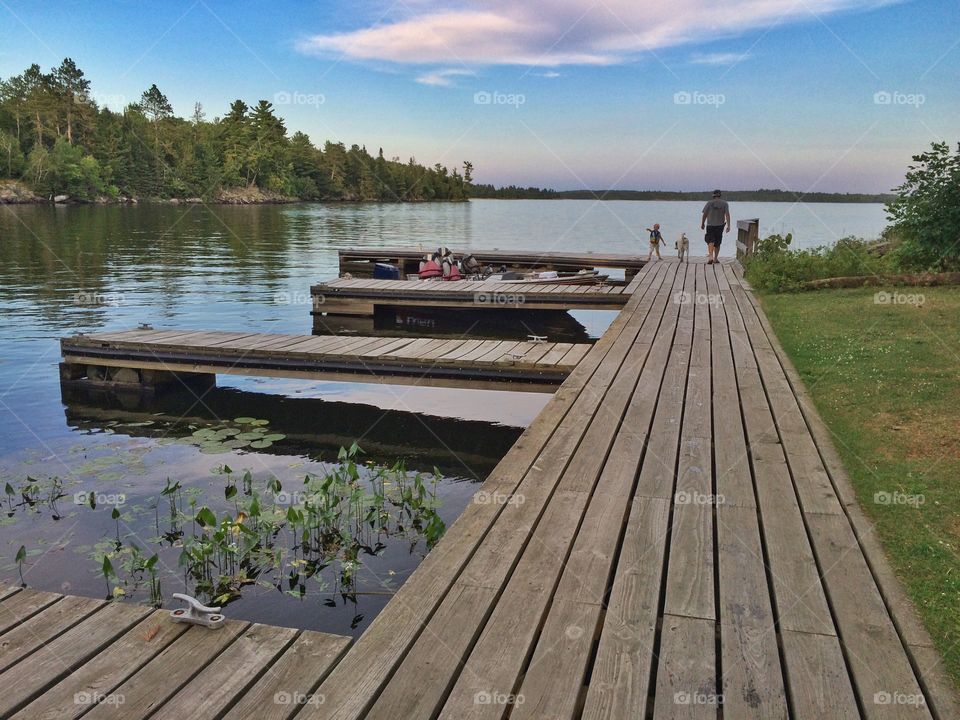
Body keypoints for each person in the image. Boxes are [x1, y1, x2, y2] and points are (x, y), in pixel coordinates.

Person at [701, 190, 731, 264]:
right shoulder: (725, 203)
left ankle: (710, 256)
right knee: (718, 242)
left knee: (710, 240)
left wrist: (702, 223)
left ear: (713, 196)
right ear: (720, 195)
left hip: (710, 225)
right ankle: (715, 258)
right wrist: (728, 225)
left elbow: (705, 214)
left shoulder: (709, 203)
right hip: (720, 225)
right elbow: (727, 214)